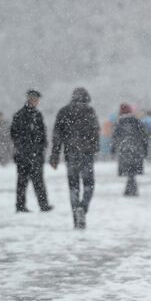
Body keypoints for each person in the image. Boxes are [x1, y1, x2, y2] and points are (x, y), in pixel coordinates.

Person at [49, 87, 100, 228]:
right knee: (89, 184)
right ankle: (83, 208)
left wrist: (55, 155)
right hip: (87, 153)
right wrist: (94, 149)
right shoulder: (89, 111)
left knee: (73, 186)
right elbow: (95, 132)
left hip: (71, 153)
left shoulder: (64, 112)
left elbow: (57, 136)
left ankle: (76, 214)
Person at [10, 89, 53, 212]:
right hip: (25, 154)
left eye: (37, 100)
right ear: (30, 99)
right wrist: (24, 148)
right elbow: (15, 134)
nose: (37, 102)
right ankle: (21, 205)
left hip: (34, 154)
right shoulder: (20, 115)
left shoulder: (37, 115)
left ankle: (42, 205)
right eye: (35, 99)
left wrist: (41, 146)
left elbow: (42, 133)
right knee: (23, 181)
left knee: (37, 180)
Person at [112, 103, 148, 196]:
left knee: (129, 170)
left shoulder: (120, 122)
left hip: (124, 148)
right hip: (136, 147)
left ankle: (130, 189)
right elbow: (144, 136)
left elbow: (115, 137)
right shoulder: (137, 121)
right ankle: (131, 189)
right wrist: (145, 148)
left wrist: (113, 149)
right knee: (132, 169)